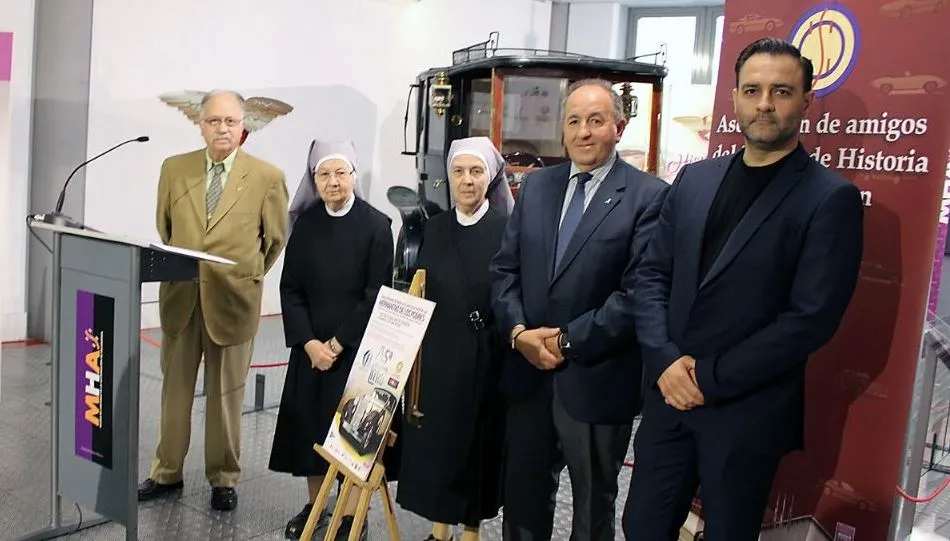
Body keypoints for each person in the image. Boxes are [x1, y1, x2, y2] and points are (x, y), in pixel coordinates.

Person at [623, 38, 865, 541]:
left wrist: (709, 377)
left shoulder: (829, 198)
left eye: (780, 91)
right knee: (642, 526)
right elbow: (649, 276)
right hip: (668, 397)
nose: (764, 104)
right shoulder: (694, 180)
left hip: (745, 411)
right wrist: (666, 361)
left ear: (805, 99)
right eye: (752, 90)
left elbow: (810, 318)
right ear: (734, 97)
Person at [490, 79, 669, 541]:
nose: (584, 132)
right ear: (562, 130)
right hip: (529, 379)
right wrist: (518, 334)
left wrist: (566, 341)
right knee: (524, 503)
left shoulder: (649, 197)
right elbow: (504, 271)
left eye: (596, 120)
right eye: (574, 121)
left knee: (592, 513)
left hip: (596, 379)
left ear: (619, 126)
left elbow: (638, 294)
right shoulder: (536, 189)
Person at [139, 89, 289, 511]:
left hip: (233, 301)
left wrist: (245, 274)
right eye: (213, 121)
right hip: (182, 299)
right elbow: (166, 229)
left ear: (243, 126)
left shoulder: (267, 177)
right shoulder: (175, 169)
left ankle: (223, 477)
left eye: (230, 121)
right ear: (200, 124)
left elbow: (274, 240)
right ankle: (166, 471)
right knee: (175, 392)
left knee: (227, 397)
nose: (222, 128)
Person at [268, 140, 394, 541]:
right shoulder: (304, 225)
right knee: (311, 431)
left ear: (354, 176)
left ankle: (350, 516)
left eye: (341, 173)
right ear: (314, 180)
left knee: (354, 437)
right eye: (324, 174)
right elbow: (291, 289)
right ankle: (316, 507)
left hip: (357, 352)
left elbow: (375, 293)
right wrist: (309, 343)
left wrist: (337, 344)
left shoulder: (377, 227)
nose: (333, 182)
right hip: (311, 352)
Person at [397, 136, 514, 541]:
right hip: (437, 354)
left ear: (490, 176)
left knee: (474, 447)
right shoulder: (434, 228)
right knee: (439, 444)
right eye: (459, 172)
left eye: (476, 171)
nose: (467, 181)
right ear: (448, 178)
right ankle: (439, 528)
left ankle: (470, 532)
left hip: (483, 356)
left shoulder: (507, 228)